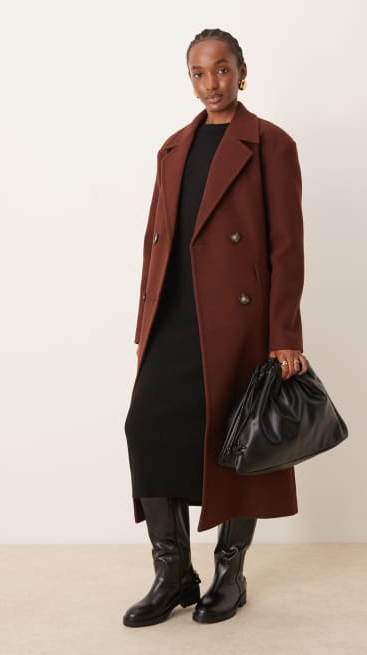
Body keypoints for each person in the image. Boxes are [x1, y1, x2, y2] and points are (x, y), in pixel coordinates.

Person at [123, 28, 307, 627]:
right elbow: (156, 241)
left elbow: (287, 246)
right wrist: (145, 321)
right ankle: (174, 574)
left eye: (222, 70)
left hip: (238, 321)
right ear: (190, 80)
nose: (212, 84)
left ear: (242, 73)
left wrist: (284, 335)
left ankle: (231, 574)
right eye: (199, 74)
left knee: (239, 439)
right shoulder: (173, 148)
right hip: (173, 315)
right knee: (146, 426)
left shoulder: (271, 143)